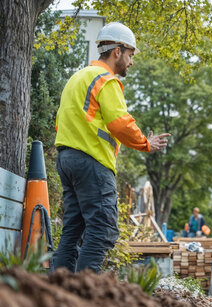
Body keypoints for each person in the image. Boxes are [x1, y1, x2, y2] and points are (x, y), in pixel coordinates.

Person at [53, 22, 171, 273]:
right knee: (102, 228)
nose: (131, 62)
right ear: (117, 51)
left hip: (67, 160)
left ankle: (57, 292)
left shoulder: (77, 78)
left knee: (73, 230)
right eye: (130, 55)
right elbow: (120, 124)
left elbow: (62, 121)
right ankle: (86, 295)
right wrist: (145, 144)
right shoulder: (106, 80)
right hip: (92, 162)